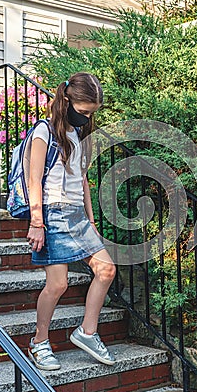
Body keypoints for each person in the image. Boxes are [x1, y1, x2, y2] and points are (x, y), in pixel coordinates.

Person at [26, 72, 116, 371]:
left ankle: (87, 332)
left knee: (106, 269)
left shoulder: (77, 135)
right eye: (84, 111)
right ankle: (39, 342)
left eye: (91, 113)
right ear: (66, 100)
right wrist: (36, 221)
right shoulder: (43, 132)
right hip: (52, 212)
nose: (87, 117)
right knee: (58, 284)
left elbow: (84, 181)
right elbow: (33, 179)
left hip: (76, 214)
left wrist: (90, 220)